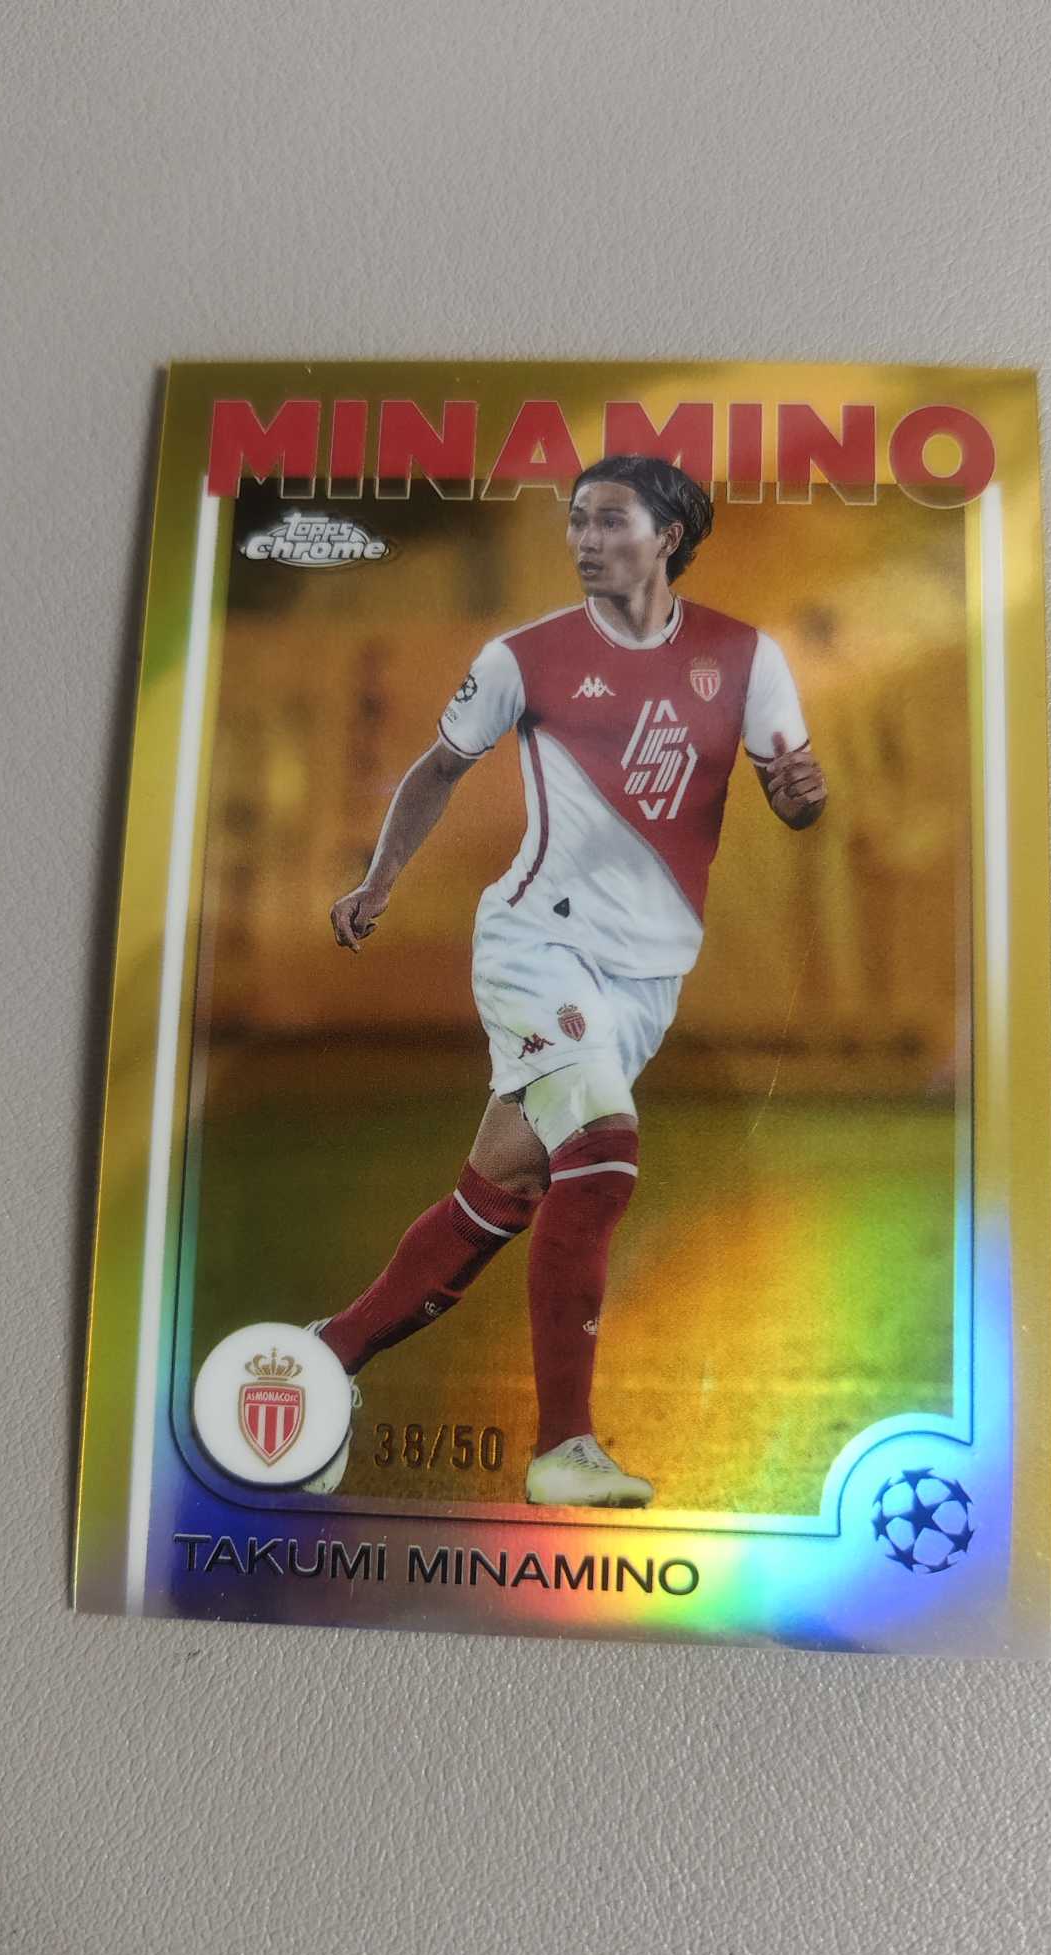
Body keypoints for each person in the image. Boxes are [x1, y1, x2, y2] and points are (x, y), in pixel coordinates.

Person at [306, 454, 827, 1506]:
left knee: (503, 1190)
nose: (585, 539)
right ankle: (563, 1448)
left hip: (647, 981)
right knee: (603, 1151)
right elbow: (439, 768)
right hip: (536, 945)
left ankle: (325, 1357)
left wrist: (801, 794)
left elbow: (794, 797)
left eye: (609, 520)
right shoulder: (524, 656)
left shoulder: (745, 656)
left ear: (668, 535)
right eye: (576, 521)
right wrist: (380, 879)